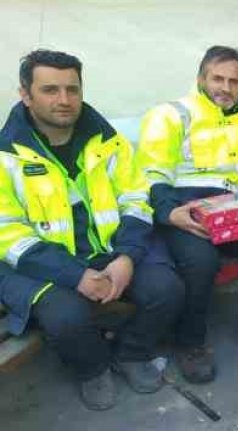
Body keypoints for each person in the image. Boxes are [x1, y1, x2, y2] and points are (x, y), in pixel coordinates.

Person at [0, 50, 184, 410]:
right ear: (26, 94)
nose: (64, 100)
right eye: (50, 90)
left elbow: (135, 199)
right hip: (40, 264)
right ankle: (92, 368)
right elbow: (7, 235)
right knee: (66, 318)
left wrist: (127, 257)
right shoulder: (5, 155)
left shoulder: (108, 141)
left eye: (72, 89)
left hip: (108, 249)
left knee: (167, 289)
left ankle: (131, 354)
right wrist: (75, 274)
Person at [136, 45, 238, 384]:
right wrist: (168, 212)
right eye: (218, 78)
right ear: (201, 78)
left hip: (235, 208)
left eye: (234, 81)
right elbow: (151, 173)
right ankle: (190, 343)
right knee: (200, 260)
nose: (226, 87)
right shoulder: (171, 114)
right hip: (185, 210)